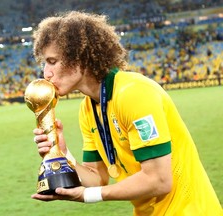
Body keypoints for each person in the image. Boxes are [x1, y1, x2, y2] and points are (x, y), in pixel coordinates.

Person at [31, 11, 222, 215]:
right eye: (44, 64)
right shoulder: (87, 109)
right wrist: (63, 154)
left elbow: (159, 180)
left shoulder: (134, 93)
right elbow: (97, 177)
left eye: (52, 61)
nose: (46, 73)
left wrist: (87, 195)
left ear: (80, 58)